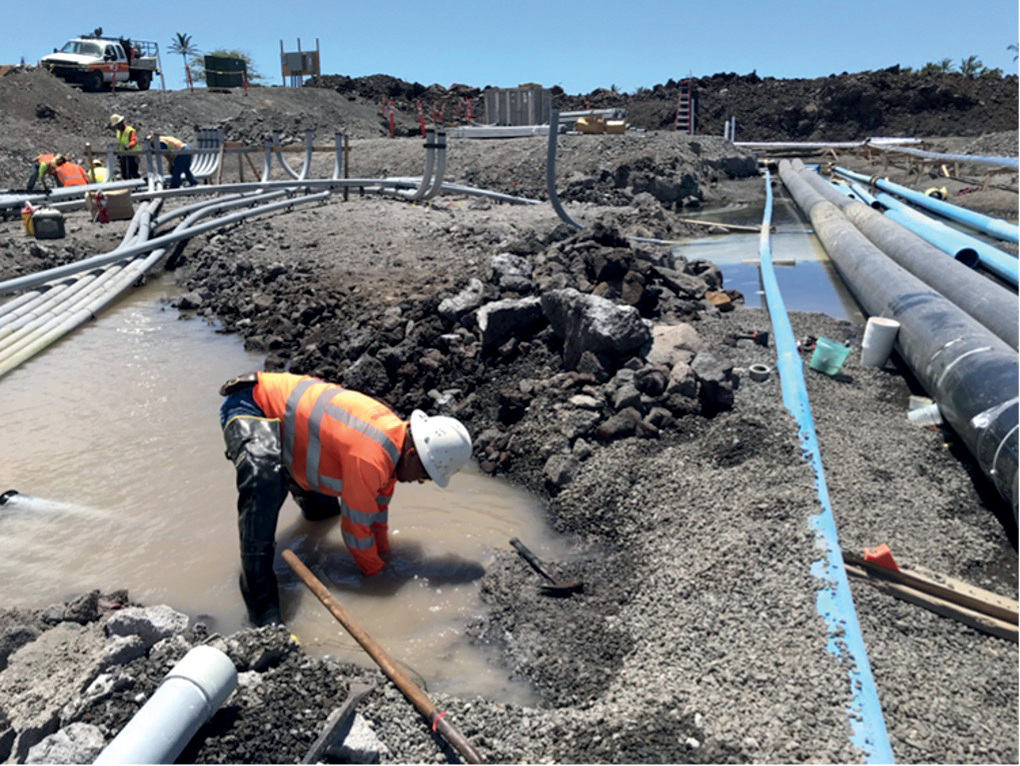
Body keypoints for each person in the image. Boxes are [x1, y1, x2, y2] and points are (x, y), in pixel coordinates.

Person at [219, 371, 473, 627]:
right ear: (411, 455)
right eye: (424, 475)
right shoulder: (372, 458)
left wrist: (385, 554)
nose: (419, 482)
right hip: (250, 405)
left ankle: (299, 499)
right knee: (265, 481)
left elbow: (376, 514)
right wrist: (377, 578)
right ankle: (264, 613)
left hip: (294, 429)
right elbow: (355, 531)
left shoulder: (394, 444)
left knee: (324, 513)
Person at [108, 113, 139, 179]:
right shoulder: (118, 132)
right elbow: (120, 143)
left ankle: (137, 187)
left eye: (119, 125)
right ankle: (128, 188)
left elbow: (134, 140)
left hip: (132, 155)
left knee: (133, 173)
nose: (118, 127)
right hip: (123, 156)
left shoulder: (129, 130)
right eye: (116, 126)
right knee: (125, 174)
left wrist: (129, 146)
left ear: (122, 122)